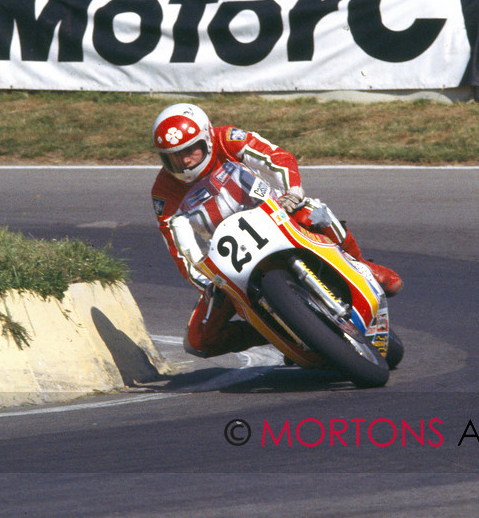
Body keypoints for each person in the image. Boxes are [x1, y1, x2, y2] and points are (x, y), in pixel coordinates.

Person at [151, 103, 402, 359]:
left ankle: (359, 263)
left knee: (315, 211)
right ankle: (278, 329)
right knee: (198, 341)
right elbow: (178, 247)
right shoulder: (163, 191)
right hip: (228, 260)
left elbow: (276, 157)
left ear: (205, 138)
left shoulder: (226, 138)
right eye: (173, 155)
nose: (184, 160)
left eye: (190, 149)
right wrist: (205, 282)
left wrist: (292, 191)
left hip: (274, 214)